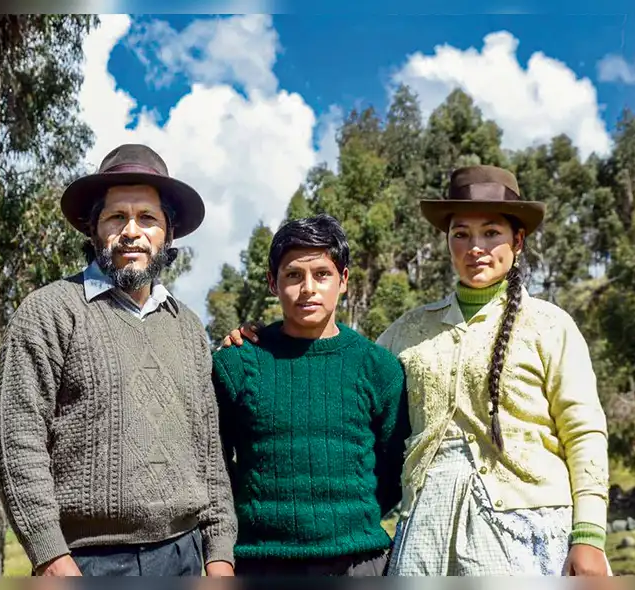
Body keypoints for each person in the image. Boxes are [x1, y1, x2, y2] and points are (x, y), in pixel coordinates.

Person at [222, 166, 611, 576]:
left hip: (527, 529)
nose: (475, 246)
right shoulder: (409, 333)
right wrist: (255, 341)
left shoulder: (550, 326)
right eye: (461, 234)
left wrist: (588, 536)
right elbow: (334, 378)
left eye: (491, 233)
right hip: (426, 535)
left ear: (517, 241)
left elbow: (583, 431)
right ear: (447, 242)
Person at [0, 144, 237, 577]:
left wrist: (219, 553)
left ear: (169, 235)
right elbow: (15, 437)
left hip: (186, 557)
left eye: (148, 219)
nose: (132, 232)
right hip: (86, 563)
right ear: (94, 229)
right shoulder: (50, 311)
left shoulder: (189, 327)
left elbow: (209, 452)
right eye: (117, 217)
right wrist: (49, 554)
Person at [211, 214, 410, 576]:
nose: (308, 288)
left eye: (322, 274)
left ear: (343, 280)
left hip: (359, 561)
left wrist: (347, 515)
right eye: (293, 275)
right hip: (261, 563)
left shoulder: (378, 368)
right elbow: (213, 468)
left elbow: (396, 467)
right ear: (273, 282)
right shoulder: (237, 364)